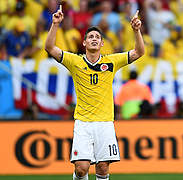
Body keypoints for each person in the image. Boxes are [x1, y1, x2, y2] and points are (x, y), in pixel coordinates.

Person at [45, 5, 144, 180]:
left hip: (105, 123)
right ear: (84, 43)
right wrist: (55, 24)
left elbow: (139, 52)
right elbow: (50, 48)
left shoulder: (112, 62)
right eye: (90, 36)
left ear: (102, 43)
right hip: (83, 123)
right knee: (81, 169)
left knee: (103, 168)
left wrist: (136, 31)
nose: (94, 39)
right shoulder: (75, 61)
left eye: (97, 37)